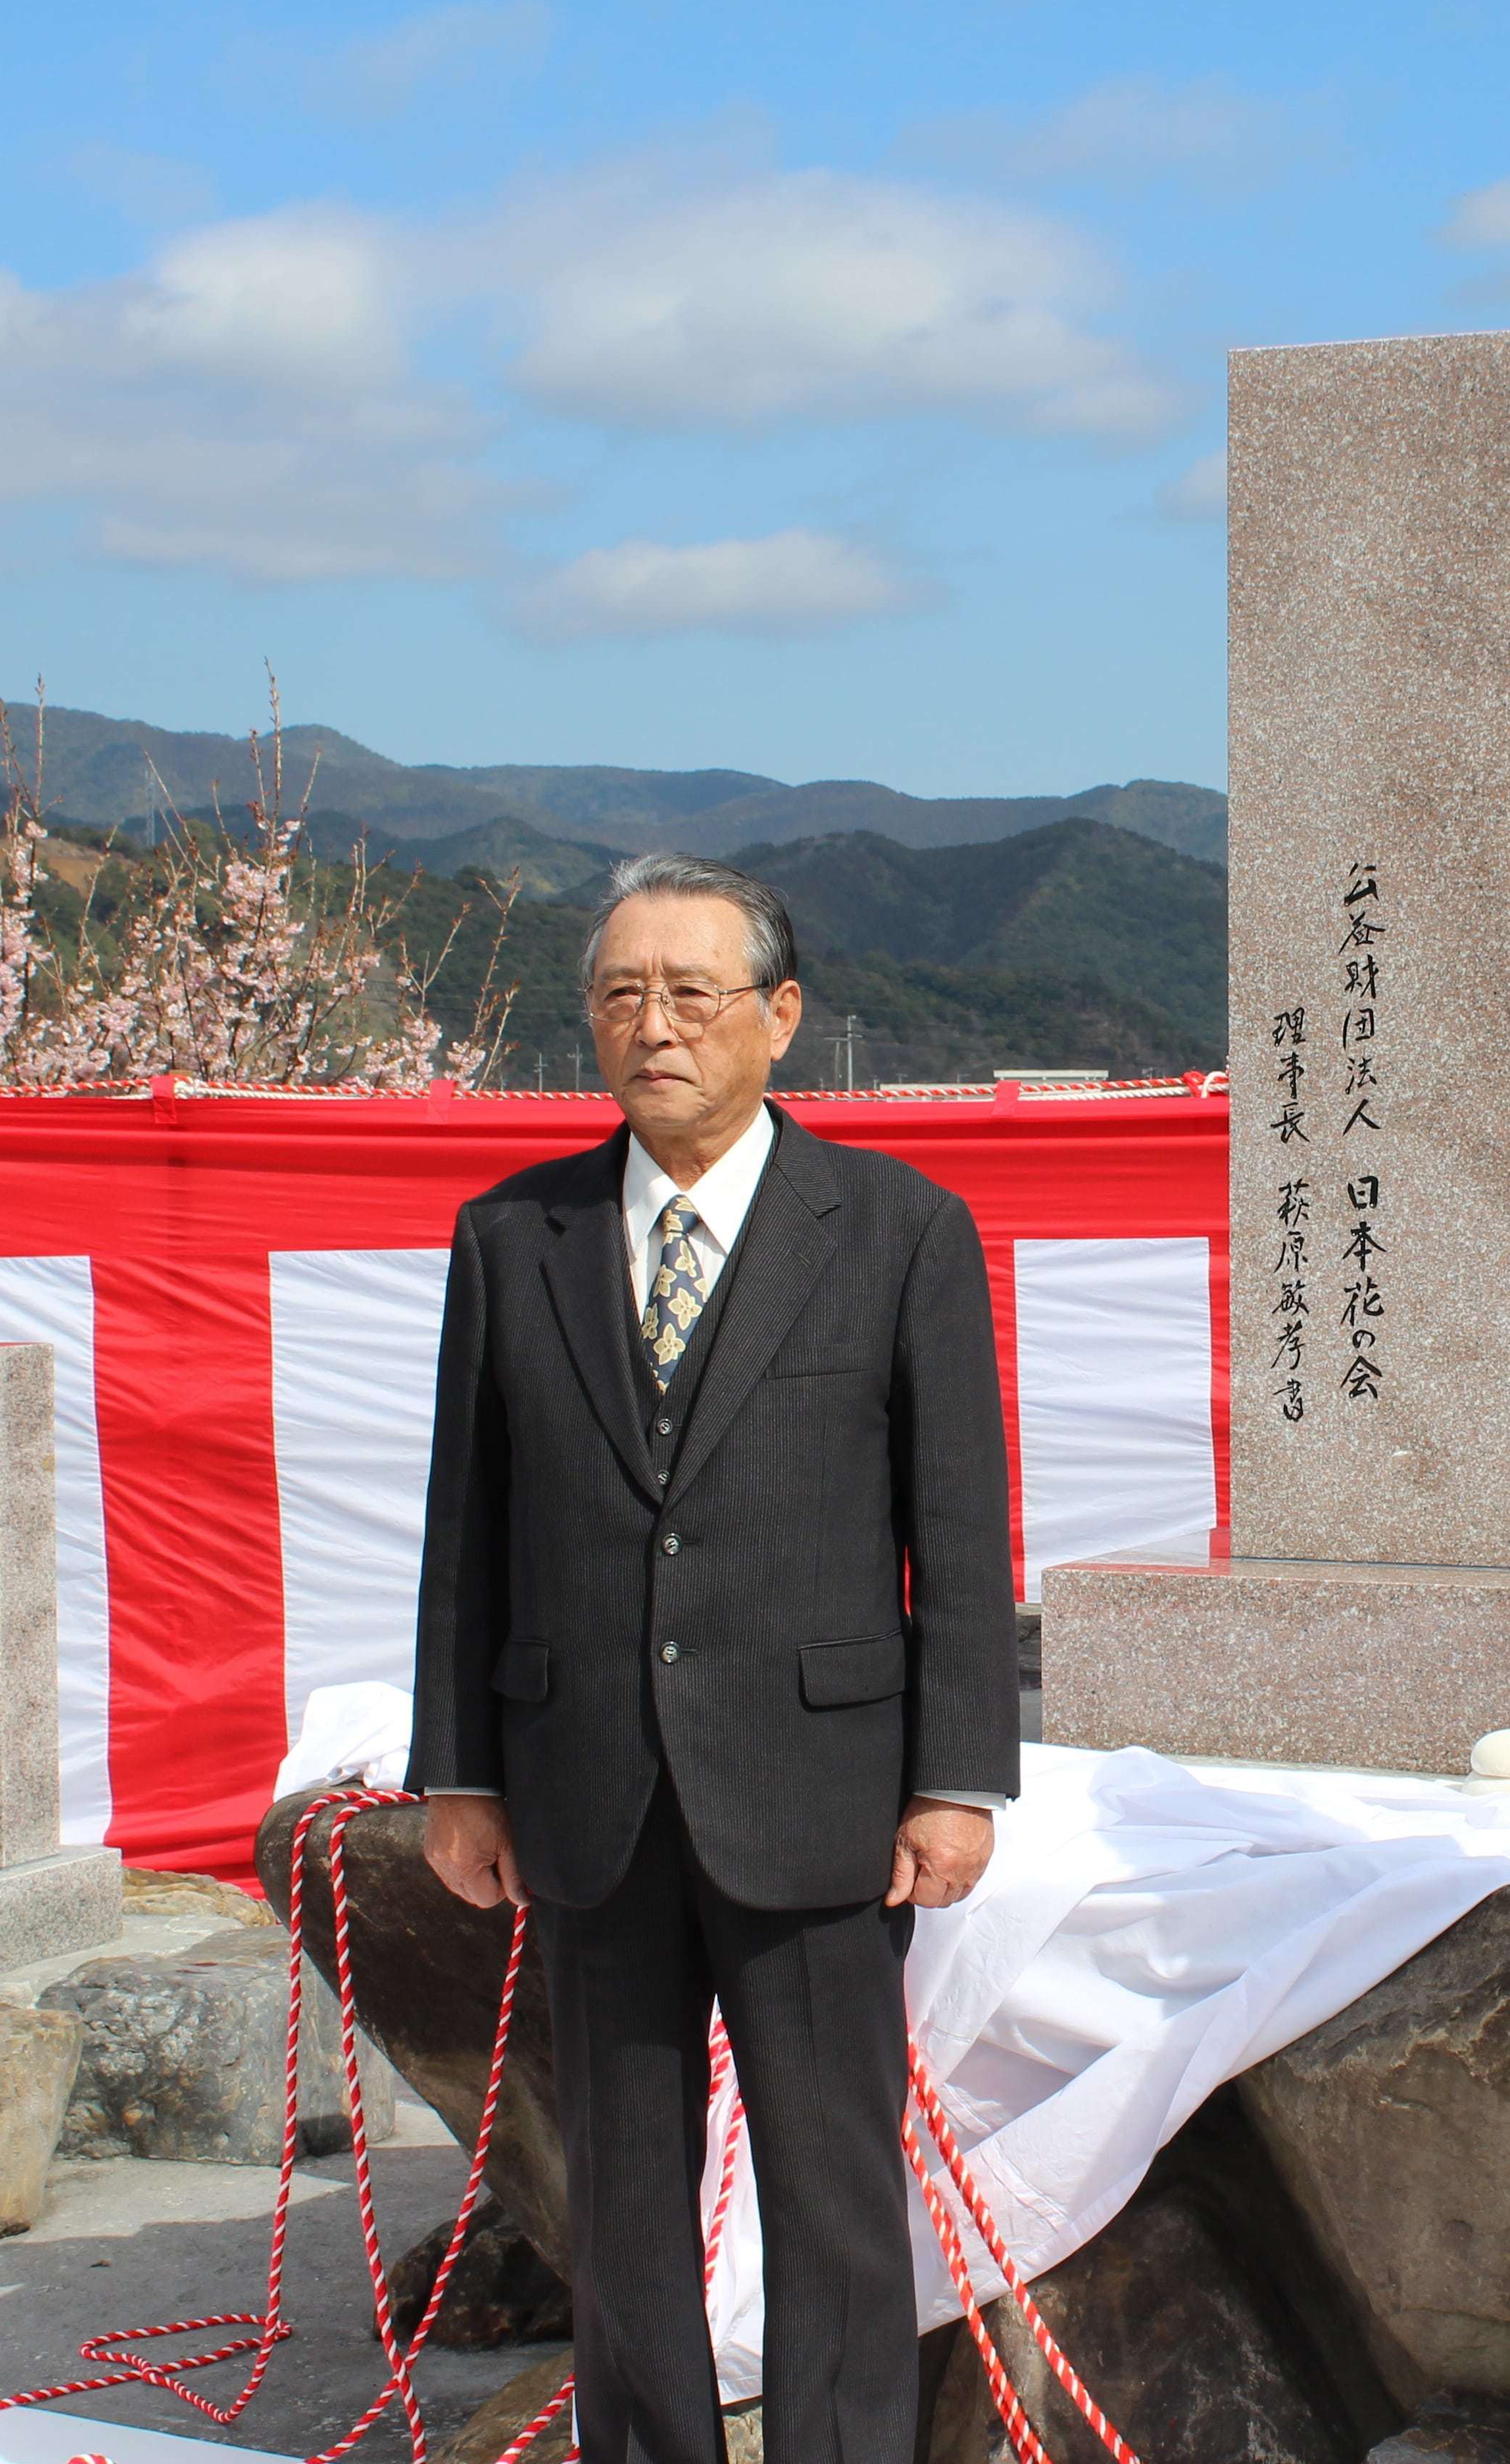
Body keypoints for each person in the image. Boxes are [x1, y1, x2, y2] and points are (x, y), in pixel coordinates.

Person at [409, 854, 1019, 2464]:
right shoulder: (513, 1236)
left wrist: (958, 1779)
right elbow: (465, 1531)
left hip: (819, 1793)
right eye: (621, 997)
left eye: (691, 994)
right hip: (585, 1791)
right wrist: (459, 1770)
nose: (653, 1028)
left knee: (832, 2197)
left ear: (781, 1017)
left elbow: (957, 1533)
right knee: (615, 2195)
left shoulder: (896, 1230)